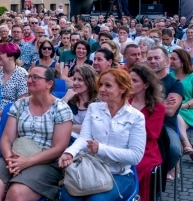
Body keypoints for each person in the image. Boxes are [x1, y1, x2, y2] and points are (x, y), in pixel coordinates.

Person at [0, 66, 73, 201]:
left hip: (45, 161)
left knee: (16, 193)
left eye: (35, 77)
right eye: (29, 77)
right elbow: (6, 139)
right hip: (15, 155)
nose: (30, 80)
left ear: (49, 83)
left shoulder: (61, 109)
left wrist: (27, 162)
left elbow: (59, 148)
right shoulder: (20, 104)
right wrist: (10, 161)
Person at [59, 68, 146, 201]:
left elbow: (135, 157)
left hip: (119, 173)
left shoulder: (136, 117)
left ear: (122, 89)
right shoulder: (94, 108)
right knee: (67, 196)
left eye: (108, 85)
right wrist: (70, 153)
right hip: (89, 169)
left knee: (96, 200)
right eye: (101, 85)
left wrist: (101, 149)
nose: (101, 89)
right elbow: (84, 137)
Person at [146, 46, 184, 180]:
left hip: (165, 126)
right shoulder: (142, 81)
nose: (152, 61)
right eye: (149, 58)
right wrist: (162, 102)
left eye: (157, 58)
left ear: (166, 61)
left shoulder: (175, 84)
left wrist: (146, 102)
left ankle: (162, 173)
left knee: (173, 150)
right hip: (142, 122)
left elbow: (169, 111)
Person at [129, 64, 165, 201]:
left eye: (135, 81)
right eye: (129, 80)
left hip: (146, 150)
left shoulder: (158, 107)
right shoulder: (125, 101)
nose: (130, 84)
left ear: (145, 85)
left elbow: (152, 134)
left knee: (134, 167)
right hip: (124, 144)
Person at [0, 43, 28, 122]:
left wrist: (2, 112)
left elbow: (21, 102)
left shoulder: (22, 74)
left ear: (11, 56)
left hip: (11, 113)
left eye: (1, 53)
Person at [62, 65, 98, 135]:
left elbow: (92, 128)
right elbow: (53, 119)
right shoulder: (70, 98)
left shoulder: (97, 103)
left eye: (80, 80)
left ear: (89, 81)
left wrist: (65, 127)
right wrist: (66, 98)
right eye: (74, 79)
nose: (75, 83)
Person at [170, 49, 193, 155]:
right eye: (170, 59)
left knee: (176, 113)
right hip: (175, 109)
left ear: (183, 61)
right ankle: (187, 145)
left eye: (174, 59)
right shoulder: (169, 76)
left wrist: (184, 105)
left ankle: (185, 143)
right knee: (175, 114)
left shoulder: (192, 76)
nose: (171, 61)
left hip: (189, 109)